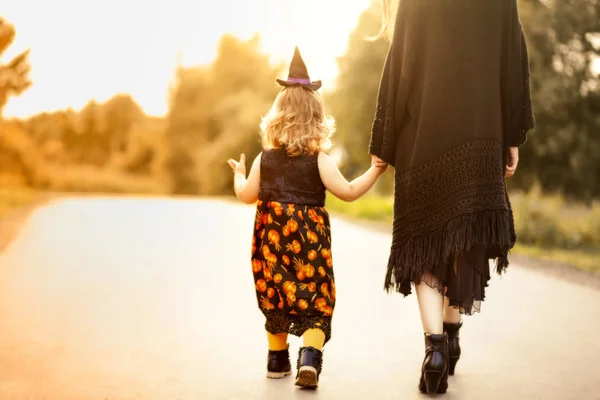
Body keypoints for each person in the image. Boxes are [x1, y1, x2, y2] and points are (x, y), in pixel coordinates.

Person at [369, 0, 535, 394]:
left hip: (421, 139)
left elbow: (399, 67)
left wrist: (384, 141)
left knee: (425, 239)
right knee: (462, 235)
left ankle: (436, 349)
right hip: (480, 135)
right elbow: (513, 63)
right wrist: (512, 138)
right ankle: (453, 332)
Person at [227, 47, 387, 389]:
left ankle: (276, 359)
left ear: (277, 115)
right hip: (309, 244)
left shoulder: (264, 159)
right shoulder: (319, 160)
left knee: (276, 295)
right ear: (317, 118)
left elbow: (246, 196)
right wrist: (375, 170)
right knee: (315, 296)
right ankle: (309, 359)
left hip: (270, 241)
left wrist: (240, 174)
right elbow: (347, 191)